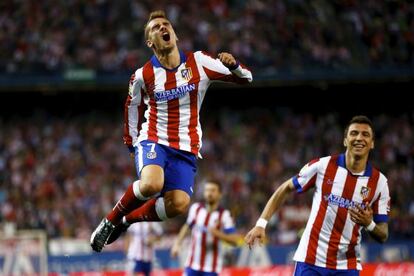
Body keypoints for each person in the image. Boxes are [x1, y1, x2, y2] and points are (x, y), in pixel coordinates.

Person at [90, 10, 252, 252]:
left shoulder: (199, 63)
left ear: (175, 35)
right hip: (154, 139)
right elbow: (132, 107)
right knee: (151, 185)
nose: (163, 28)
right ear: (150, 42)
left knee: (178, 205)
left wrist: (235, 65)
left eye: (166, 25)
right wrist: (133, 144)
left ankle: (126, 221)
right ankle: (109, 221)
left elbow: (246, 78)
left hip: (186, 147)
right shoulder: (143, 75)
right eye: (156, 27)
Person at [245, 115, 390, 276]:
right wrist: (261, 223)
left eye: (365, 135)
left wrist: (369, 224)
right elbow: (286, 187)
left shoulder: (380, 183)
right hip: (310, 260)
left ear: (372, 143)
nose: (359, 138)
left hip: (347, 266)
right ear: (345, 140)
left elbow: (383, 234)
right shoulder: (323, 166)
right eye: (354, 133)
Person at [171, 180, 241, 276]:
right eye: (207, 190)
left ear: (220, 194)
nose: (209, 193)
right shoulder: (196, 208)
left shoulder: (224, 215)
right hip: (192, 264)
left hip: (211, 268)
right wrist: (177, 244)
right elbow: (187, 226)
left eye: (213, 190)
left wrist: (217, 233)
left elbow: (234, 240)